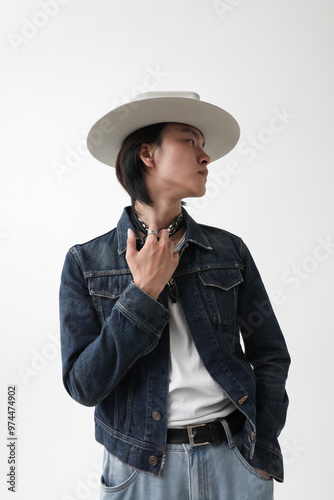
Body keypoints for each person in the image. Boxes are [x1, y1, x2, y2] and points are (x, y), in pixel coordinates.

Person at [59, 91, 290, 500]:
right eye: (190, 140)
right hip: (141, 470)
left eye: (203, 145)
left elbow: (269, 354)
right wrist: (142, 295)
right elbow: (84, 386)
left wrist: (261, 448)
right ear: (147, 154)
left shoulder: (228, 251)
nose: (206, 157)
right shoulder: (86, 263)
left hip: (234, 462)